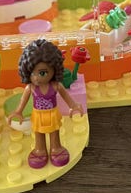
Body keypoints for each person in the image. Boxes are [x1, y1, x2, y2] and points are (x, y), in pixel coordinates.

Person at [8, 39, 84, 169]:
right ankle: (40, 150)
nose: (36, 78)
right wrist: (18, 111)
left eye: (42, 73)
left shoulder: (55, 86)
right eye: (32, 73)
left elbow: (66, 96)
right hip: (38, 115)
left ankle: (56, 148)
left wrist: (73, 105)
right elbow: (23, 100)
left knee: (54, 132)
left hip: (52, 114)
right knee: (39, 133)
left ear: (54, 69)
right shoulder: (31, 87)